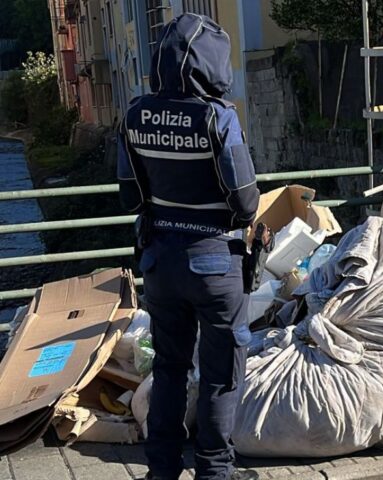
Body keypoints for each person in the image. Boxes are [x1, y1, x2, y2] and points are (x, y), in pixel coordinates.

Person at [117, 13, 260, 480]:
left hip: (159, 260)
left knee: (170, 367)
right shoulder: (218, 117)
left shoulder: (135, 114)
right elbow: (246, 202)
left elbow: (129, 196)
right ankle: (215, 471)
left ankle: (161, 470)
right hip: (214, 261)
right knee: (220, 373)